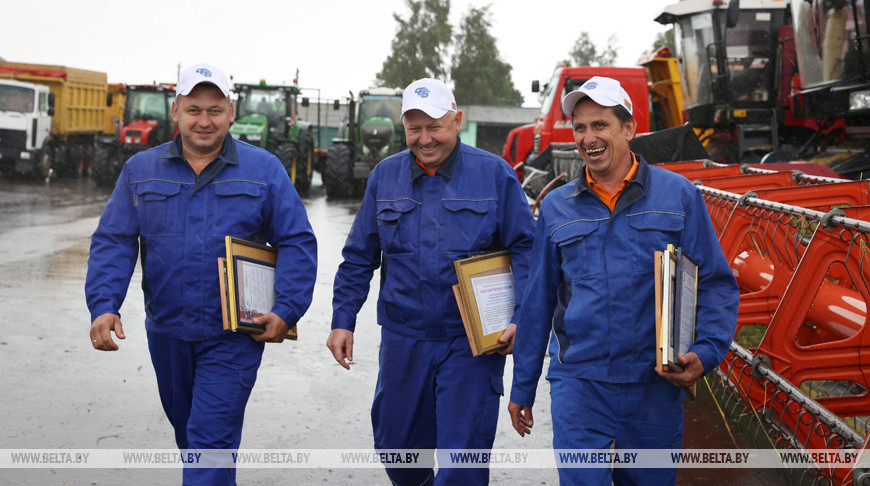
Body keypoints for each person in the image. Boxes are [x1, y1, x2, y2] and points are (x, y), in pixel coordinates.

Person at [85, 63, 317, 485]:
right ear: (176, 112)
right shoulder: (141, 170)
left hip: (232, 336)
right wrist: (104, 305)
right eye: (194, 109)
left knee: (210, 443)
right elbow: (115, 240)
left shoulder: (263, 170)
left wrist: (288, 308)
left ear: (231, 111)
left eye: (214, 110)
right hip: (168, 332)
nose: (204, 120)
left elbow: (297, 241)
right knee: (192, 442)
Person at [507, 76, 739, 485]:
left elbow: (716, 283)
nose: (588, 137)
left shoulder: (679, 196)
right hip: (580, 382)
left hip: (654, 385)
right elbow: (538, 301)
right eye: (579, 127)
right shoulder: (559, 208)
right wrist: (522, 387)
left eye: (600, 125)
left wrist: (706, 351)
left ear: (628, 129)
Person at [327, 78, 535, 485]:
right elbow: (358, 256)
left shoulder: (494, 175)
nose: (424, 139)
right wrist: (342, 319)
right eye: (414, 129)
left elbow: (526, 249)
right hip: (405, 340)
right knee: (397, 448)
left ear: (457, 120)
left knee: (463, 464)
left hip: (471, 345)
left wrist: (519, 315)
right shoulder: (384, 177)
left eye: (434, 127)